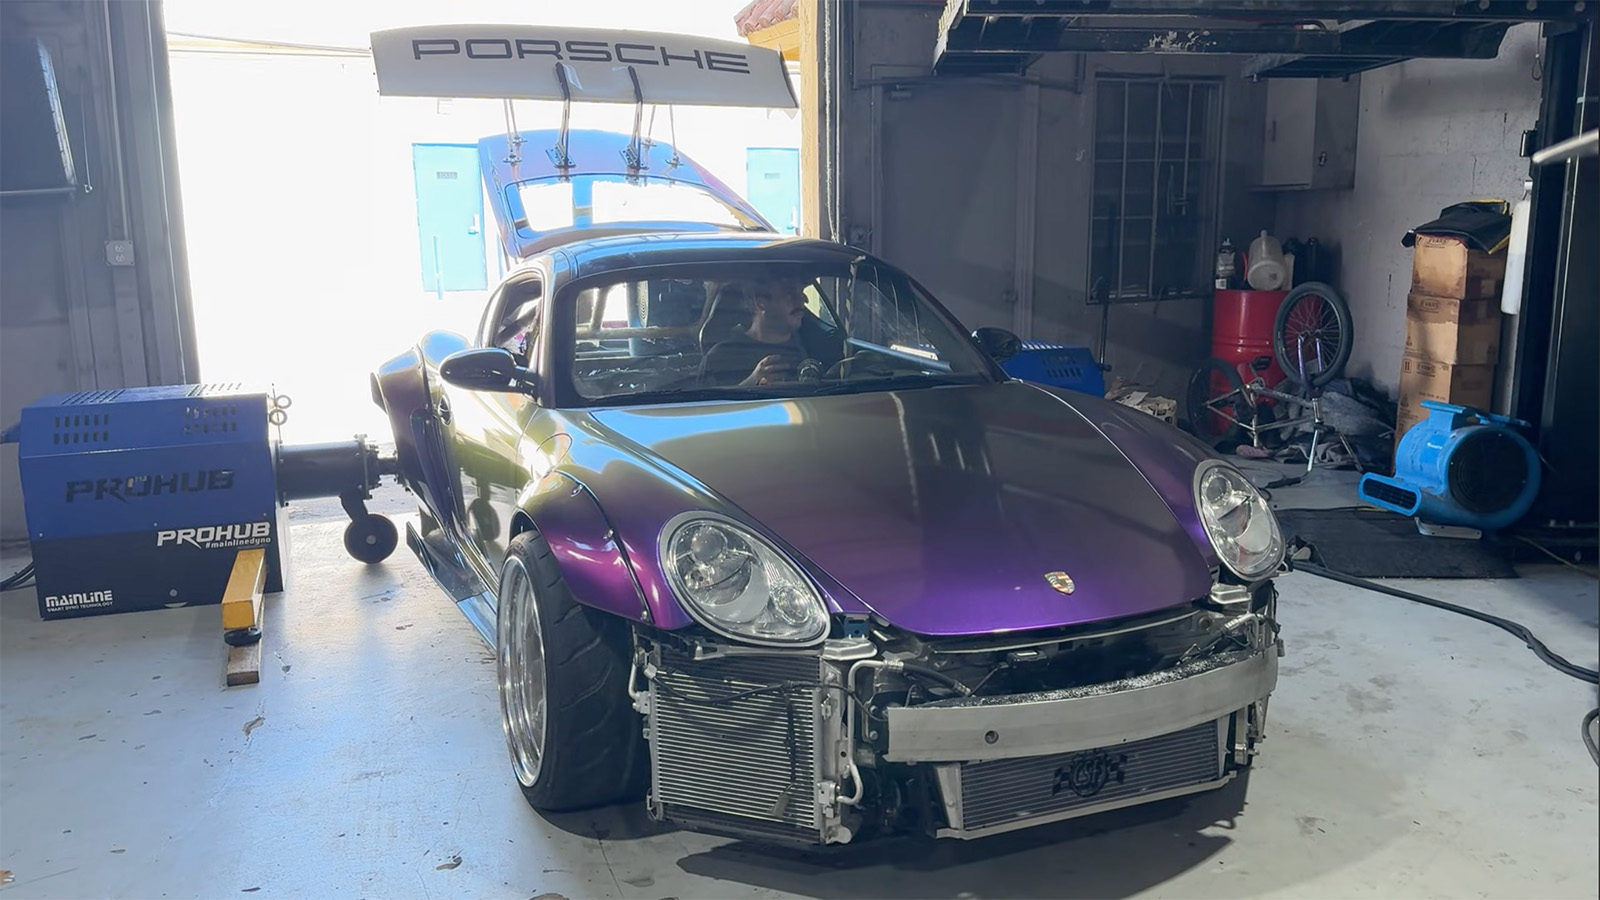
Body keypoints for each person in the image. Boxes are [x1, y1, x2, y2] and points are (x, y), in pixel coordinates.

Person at [700, 278, 841, 386]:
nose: (803, 300)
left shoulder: (820, 351)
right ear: (760, 302)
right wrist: (752, 381)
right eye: (790, 293)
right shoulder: (720, 359)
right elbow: (705, 411)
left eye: (801, 292)